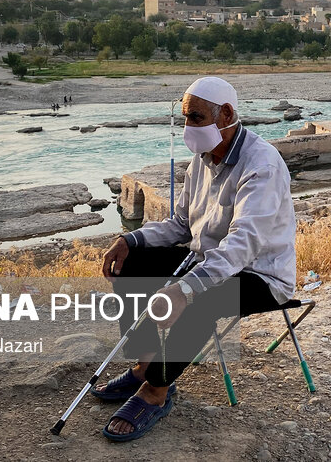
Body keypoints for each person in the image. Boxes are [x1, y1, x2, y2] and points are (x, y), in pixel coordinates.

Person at [92, 76, 296, 442]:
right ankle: (146, 365)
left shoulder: (261, 164)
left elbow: (242, 245)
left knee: (202, 299)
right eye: (185, 118)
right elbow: (181, 224)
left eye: (195, 117)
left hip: (261, 275)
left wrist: (186, 288)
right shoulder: (202, 158)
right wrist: (130, 239)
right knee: (134, 263)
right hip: (205, 260)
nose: (188, 127)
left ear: (227, 114)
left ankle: (156, 391)